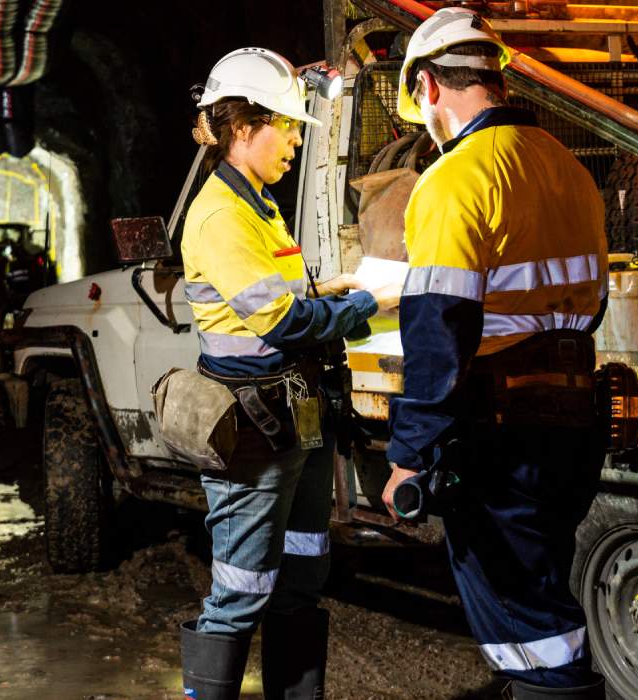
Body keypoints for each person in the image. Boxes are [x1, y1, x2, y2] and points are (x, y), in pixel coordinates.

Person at [378, 9, 609, 699]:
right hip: (574, 417)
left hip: (502, 434)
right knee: (543, 598)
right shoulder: (568, 169)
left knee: (525, 629)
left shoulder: (454, 180)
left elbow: (438, 335)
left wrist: (408, 454)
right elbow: (590, 303)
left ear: (428, 87)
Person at [178, 47, 401, 700]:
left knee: (300, 580)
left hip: (296, 418)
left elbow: (282, 297)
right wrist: (368, 302)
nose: (299, 140)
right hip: (251, 430)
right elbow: (279, 326)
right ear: (244, 127)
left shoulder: (260, 206)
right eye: (289, 124)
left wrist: (329, 287)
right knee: (240, 592)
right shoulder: (220, 215)